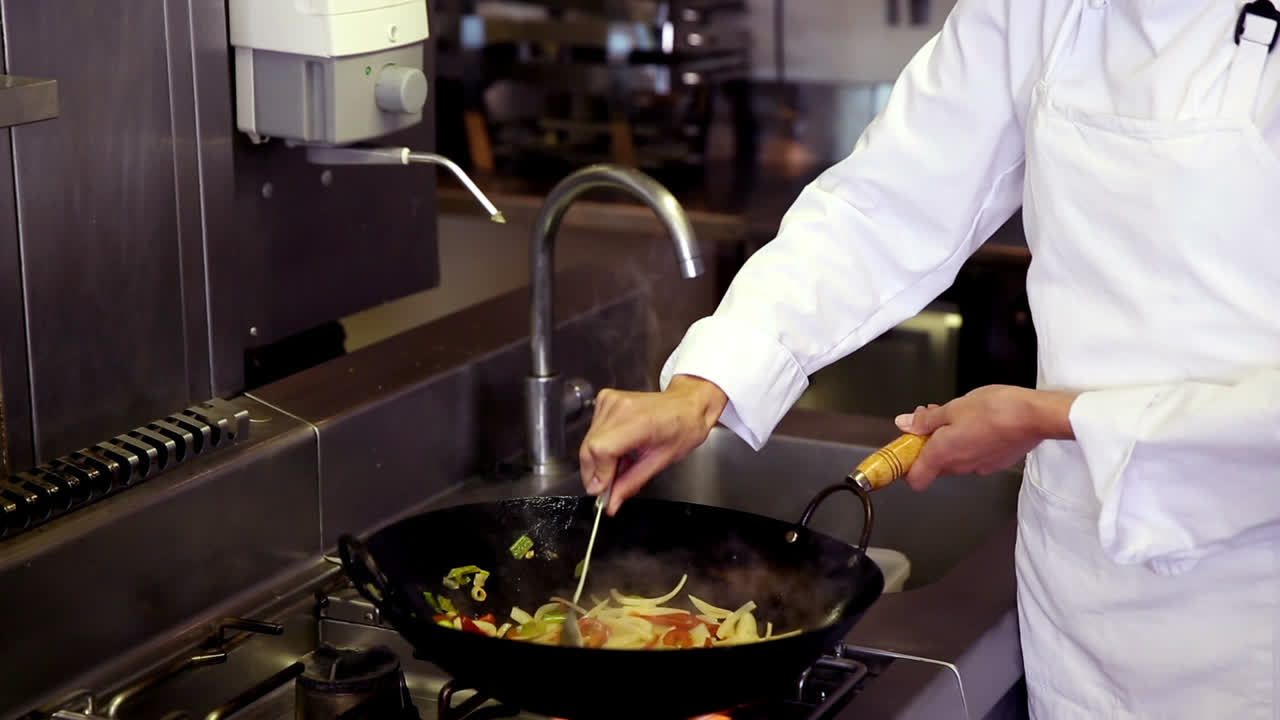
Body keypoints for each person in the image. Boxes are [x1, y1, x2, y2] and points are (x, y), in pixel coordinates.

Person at [576, 0, 1280, 717]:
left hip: (1253, 612)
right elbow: (886, 204)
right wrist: (704, 386)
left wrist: (1059, 416)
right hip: (1076, 598)